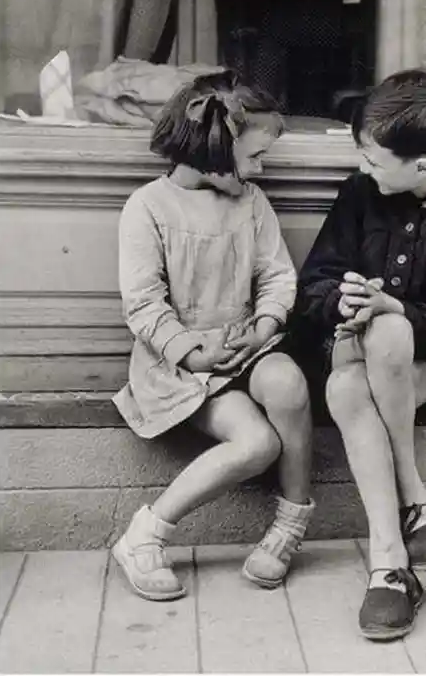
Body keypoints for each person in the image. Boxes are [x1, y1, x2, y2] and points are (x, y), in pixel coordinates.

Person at [291, 69, 426, 641]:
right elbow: (313, 287)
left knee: (374, 352)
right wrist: (345, 300)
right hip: (346, 352)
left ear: (424, 167)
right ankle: (417, 509)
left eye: (375, 160)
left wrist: (392, 307)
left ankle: (389, 562)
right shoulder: (360, 195)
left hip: (413, 377)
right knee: (363, 348)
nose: (364, 169)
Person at [112, 69, 314, 601]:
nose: (261, 168)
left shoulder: (250, 203)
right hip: (181, 365)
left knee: (289, 382)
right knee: (257, 442)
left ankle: (289, 525)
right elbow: (144, 304)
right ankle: (145, 535)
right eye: (254, 157)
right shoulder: (148, 208)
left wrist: (266, 326)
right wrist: (195, 354)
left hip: (246, 346)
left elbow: (276, 277)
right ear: (215, 147)